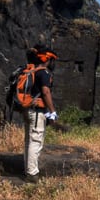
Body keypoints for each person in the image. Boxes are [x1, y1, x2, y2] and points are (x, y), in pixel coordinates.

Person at [23, 44, 58, 183]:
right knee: (36, 140)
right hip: (37, 112)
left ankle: (28, 170)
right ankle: (32, 174)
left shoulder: (31, 71)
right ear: (47, 59)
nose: (52, 63)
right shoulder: (44, 73)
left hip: (28, 109)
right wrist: (52, 111)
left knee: (29, 140)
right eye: (52, 60)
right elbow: (45, 92)